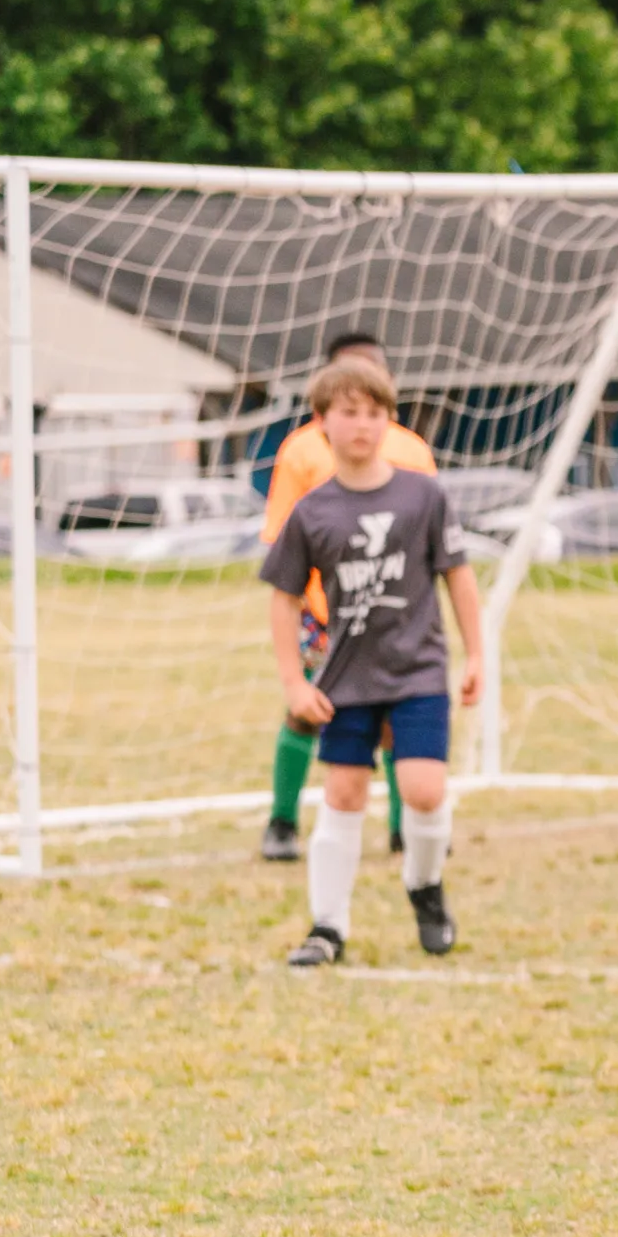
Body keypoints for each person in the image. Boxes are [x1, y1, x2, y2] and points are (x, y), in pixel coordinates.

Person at [258, 355, 482, 966]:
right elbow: (282, 600)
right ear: (321, 423)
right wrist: (293, 683)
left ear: (391, 420)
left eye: (374, 412)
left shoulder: (423, 496)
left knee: (425, 791)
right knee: (344, 793)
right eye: (348, 413)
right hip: (347, 675)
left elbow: (458, 578)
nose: (361, 425)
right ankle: (327, 928)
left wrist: (476, 654)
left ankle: (425, 885)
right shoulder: (313, 510)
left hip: (417, 669)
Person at [257, 330, 434, 863]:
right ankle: (282, 822)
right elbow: (282, 543)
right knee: (309, 711)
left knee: (394, 723)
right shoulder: (303, 451)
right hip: (322, 615)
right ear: (326, 396)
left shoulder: (410, 451)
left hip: (392, 619)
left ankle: (406, 830)